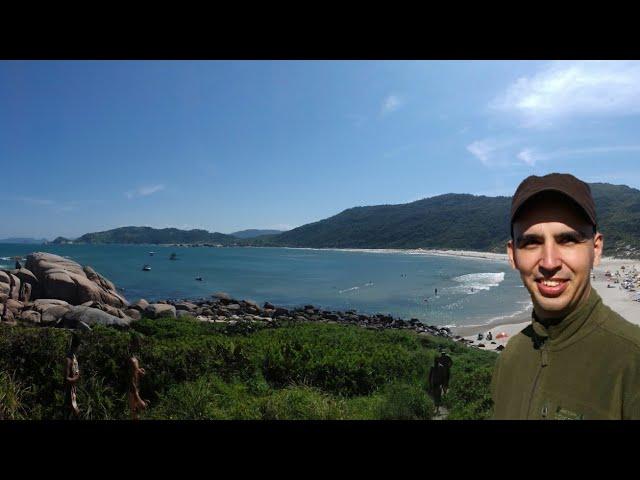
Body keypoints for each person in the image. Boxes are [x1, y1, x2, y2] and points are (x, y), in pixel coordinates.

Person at [491, 173, 640, 420]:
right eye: (531, 242)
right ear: (512, 255)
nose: (549, 262)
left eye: (568, 240)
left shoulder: (632, 361)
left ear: (596, 249)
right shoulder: (511, 356)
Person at [128, 333, 149, 420]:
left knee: (137, 413)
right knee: (135, 413)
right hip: (133, 390)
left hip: (136, 388)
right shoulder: (131, 360)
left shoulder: (134, 359)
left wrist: (139, 370)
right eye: (138, 343)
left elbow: (134, 371)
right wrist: (136, 396)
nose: (139, 345)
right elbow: (131, 379)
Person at [63, 332, 81, 420]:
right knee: (74, 411)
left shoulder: (74, 357)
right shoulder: (68, 359)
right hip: (69, 391)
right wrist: (76, 378)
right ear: (76, 347)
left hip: (73, 389)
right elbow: (66, 378)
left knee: (72, 412)